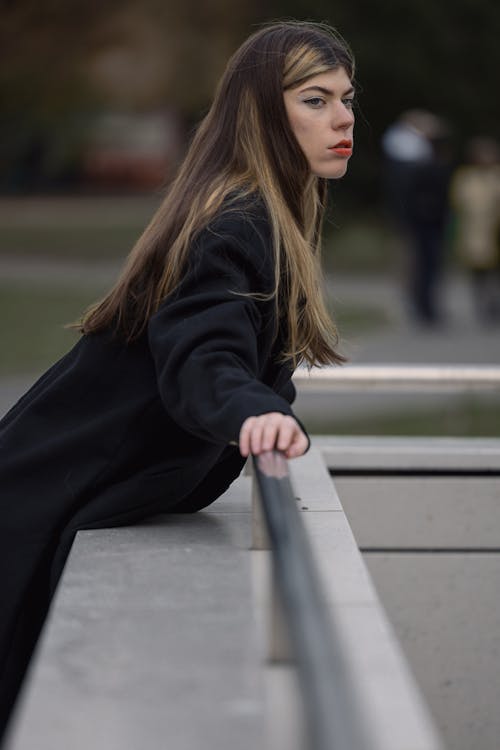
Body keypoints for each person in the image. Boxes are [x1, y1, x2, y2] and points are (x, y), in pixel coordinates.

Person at [0, 20, 355, 737]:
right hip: (33, 502)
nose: (344, 118)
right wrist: (250, 410)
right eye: (315, 99)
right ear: (260, 111)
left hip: (54, 492)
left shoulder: (263, 215)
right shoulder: (237, 222)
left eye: (348, 98)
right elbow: (201, 355)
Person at [382, 110, 452, 325]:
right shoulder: (408, 152)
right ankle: (415, 305)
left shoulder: (409, 151)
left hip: (419, 216)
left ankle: (420, 304)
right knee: (414, 262)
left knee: (421, 262)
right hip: (416, 218)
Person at [450, 136, 500, 324]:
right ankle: (483, 305)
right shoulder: (466, 177)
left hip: (495, 230)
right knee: (479, 271)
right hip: (476, 231)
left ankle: (494, 304)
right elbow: (459, 202)